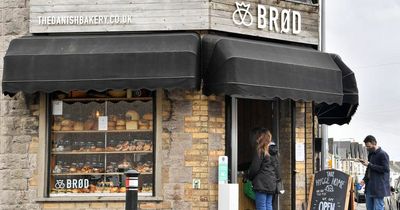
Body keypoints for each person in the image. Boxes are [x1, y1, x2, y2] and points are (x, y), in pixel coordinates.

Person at [247, 128, 281, 210]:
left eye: (258, 137)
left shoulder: (260, 150)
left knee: (261, 206)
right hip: (271, 183)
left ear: (260, 137)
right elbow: (277, 168)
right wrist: (277, 179)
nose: (256, 138)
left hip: (261, 183)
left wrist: (249, 177)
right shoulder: (274, 152)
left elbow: (254, 168)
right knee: (269, 205)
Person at [360, 135, 390, 210]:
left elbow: (386, 169)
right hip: (369, 186)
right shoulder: (371, 154)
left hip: (379, 187)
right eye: (366, 146)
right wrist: (364, 180)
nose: (367, 148)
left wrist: (370, 164)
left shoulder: (383, 154)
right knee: (369, 208)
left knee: (378, 208)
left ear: (374, 143)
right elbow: (369, 169)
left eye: (368, 146)